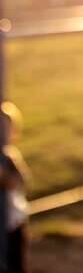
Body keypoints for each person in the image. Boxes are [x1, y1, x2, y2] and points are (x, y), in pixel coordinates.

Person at [0, 102, 30, 273]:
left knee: (15, 264)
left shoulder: (10, 156)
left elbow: (19, 182)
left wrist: (5, 178)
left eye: (6, 130)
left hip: (13, 222)